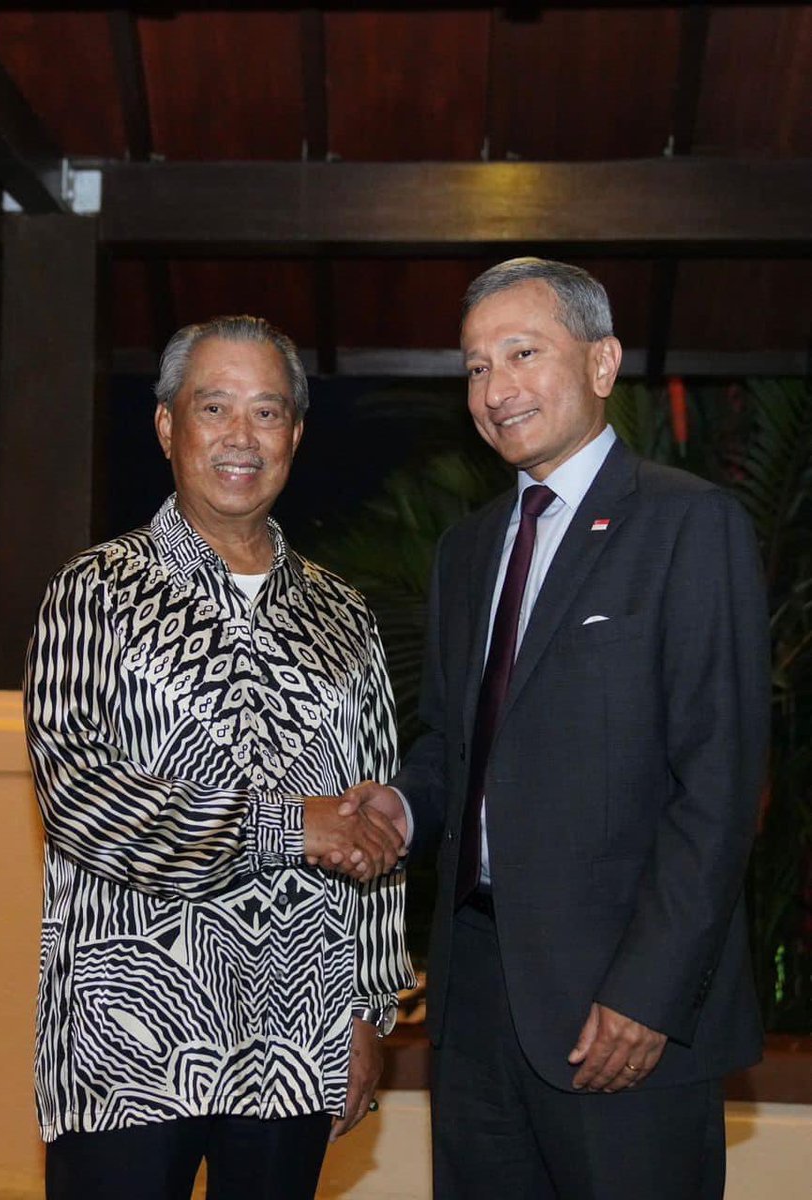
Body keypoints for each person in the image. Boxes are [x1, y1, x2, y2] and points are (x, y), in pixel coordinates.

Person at [339, 258, 771, 1198]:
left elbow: (721, 785)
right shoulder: (468, 551)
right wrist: (403, 811)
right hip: (477, 999)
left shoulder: (689, 526)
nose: (494, 390)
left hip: (618, 1011)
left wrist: (646, 994)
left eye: (521, 354)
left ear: (604, 362)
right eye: (475, 366)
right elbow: (457, 747)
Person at [24, 315, 413, 1200]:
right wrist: (288, 827)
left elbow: (377, 822)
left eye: (267, 412)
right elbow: (82, 801)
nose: (242, 436)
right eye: (215, 407)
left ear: (296, 436)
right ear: (168, 427)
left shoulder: (345, 615)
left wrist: (368, 1013)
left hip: (298, 1038)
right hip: (127, 1044)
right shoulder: (94, 592)